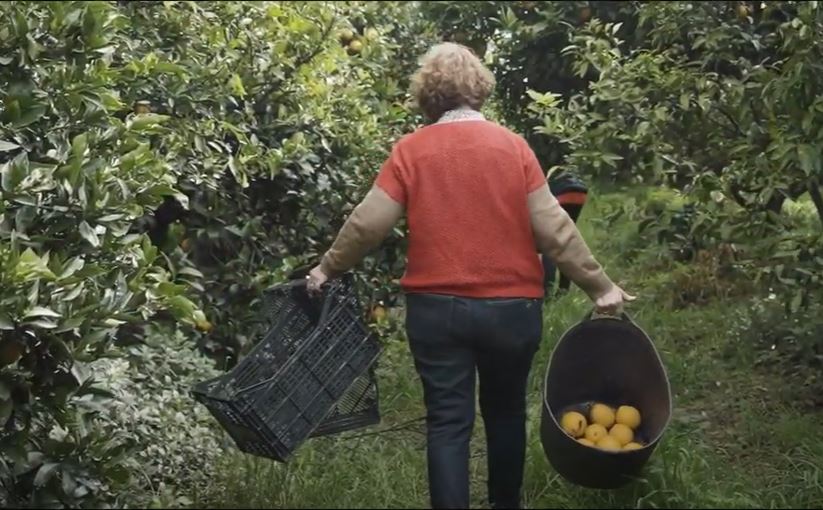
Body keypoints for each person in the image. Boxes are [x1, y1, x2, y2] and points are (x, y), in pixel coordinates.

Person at [305, 43, 634, 510]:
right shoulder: (512, 146)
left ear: (428, 96)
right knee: (504, 415)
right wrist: (599, 286)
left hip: (436, 314)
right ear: (479, 90)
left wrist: (326, 267)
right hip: (512, 311)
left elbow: (367, 224)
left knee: (447, 423)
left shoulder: (411, 151)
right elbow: (555, 228)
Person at [543, 169, 589, 295]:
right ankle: (563, 289)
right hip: (580, 193)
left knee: (549, 245)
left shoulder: (542, 175)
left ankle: (547, 290)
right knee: (566, 241)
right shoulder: (562, 170)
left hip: (562, 193)